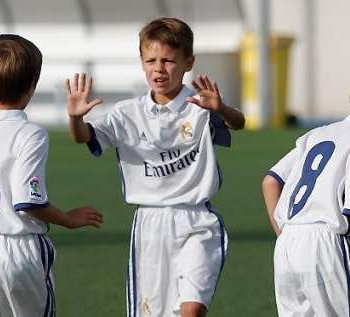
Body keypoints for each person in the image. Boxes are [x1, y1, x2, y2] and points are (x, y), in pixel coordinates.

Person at [65, 17, 245, 317]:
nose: (158, 69)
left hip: (197, 219)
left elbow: (237, 123)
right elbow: (84, 137)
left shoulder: (200, 105)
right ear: (141, 62)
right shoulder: (127, 113)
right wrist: (74, 118)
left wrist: (222, 108)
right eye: (151, 60)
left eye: (168, 61)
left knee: (193, 309)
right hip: (150, 225)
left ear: (188, 62)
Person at [0, 34, 103, 317]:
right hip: (17, 250)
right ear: (31, 87)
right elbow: (29, 201)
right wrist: (68, 219)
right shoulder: (31, 134)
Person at [262, 116, 350, 316]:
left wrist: (287, 235)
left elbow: (271, 182)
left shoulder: (318, 133)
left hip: (288, 242)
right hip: (327, 243)